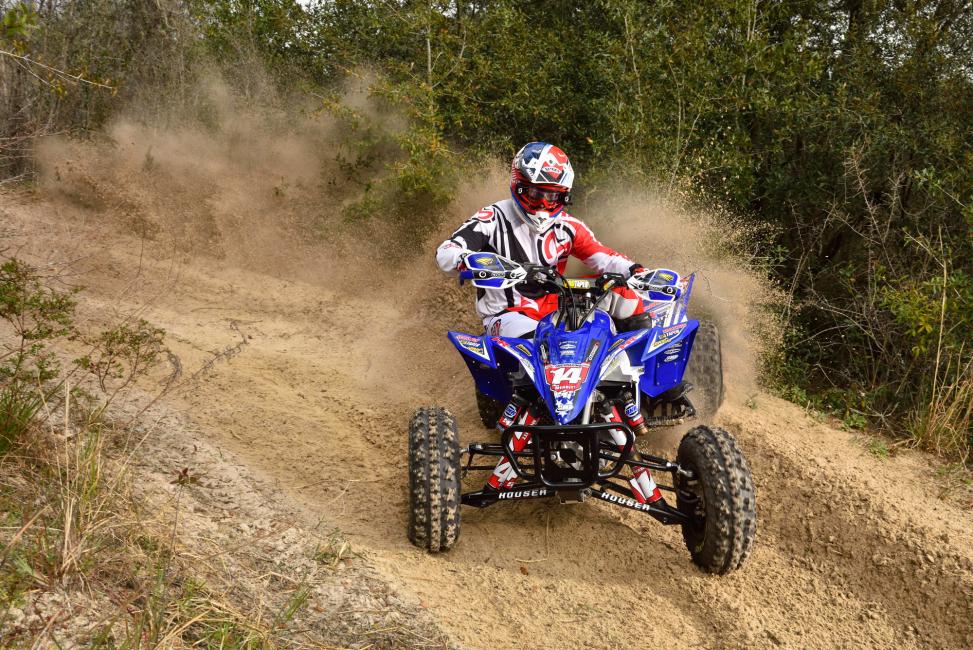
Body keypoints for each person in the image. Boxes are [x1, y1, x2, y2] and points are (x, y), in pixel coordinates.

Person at [436, 141, 648, 337]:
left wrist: (637, 272)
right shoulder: (492, 218)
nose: (543, 204)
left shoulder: (568, 226)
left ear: (563, 196)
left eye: (552, 196)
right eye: (535, 194)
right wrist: (468, 260)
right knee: (543, 338)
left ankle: (631, 364)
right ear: (519, 186)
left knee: (626, 297)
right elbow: (446, 251)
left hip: (553, 306)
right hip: (506, 315)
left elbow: (605, 258)